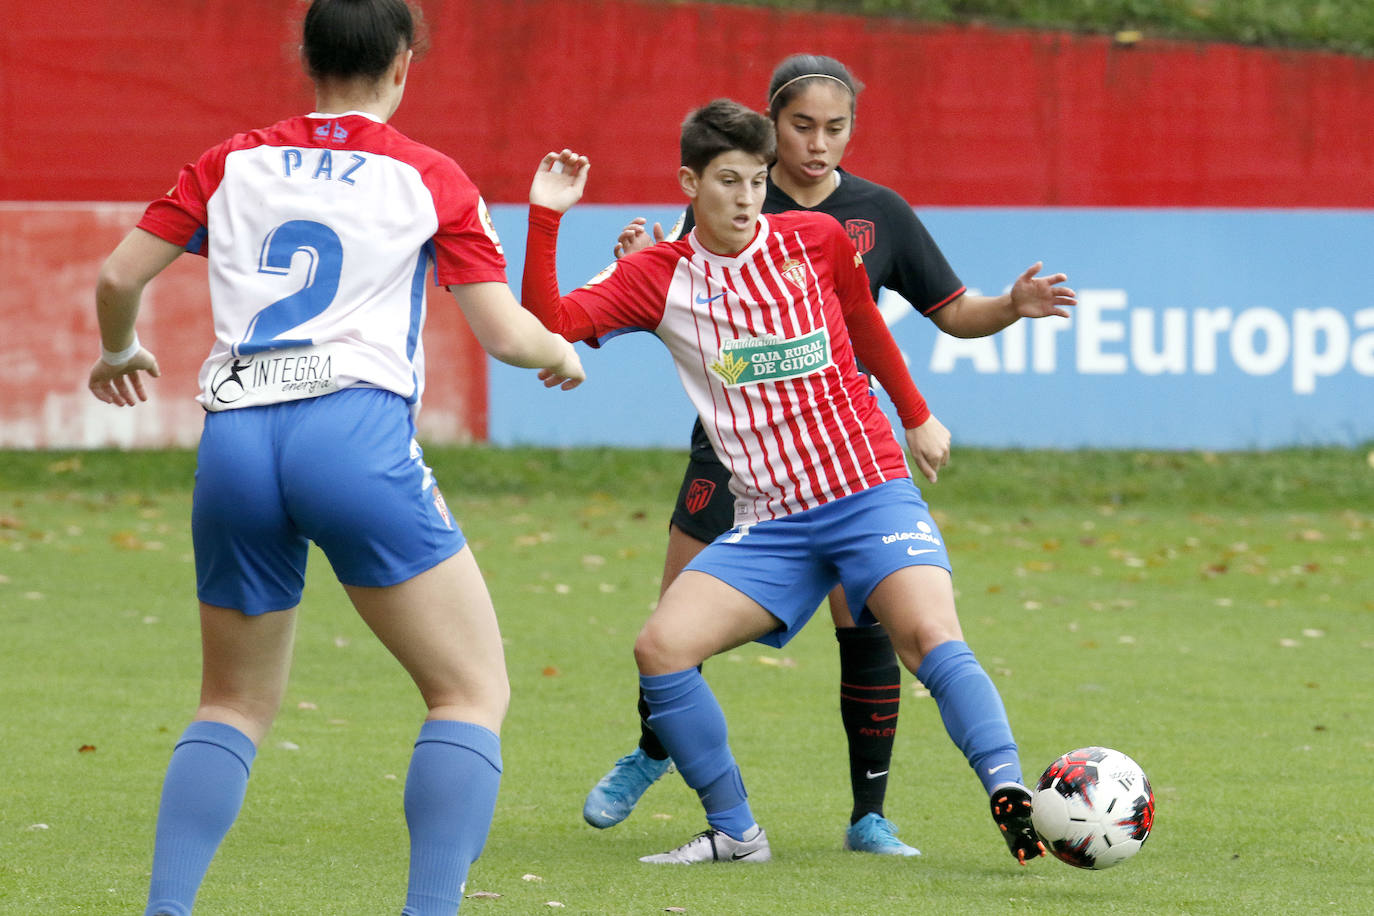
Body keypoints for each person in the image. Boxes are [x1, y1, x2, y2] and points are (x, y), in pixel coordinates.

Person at [87, 2, 583, 913]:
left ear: (307, 58)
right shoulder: (429, 177)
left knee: (230, 705)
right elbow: (507, 337)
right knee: (470, 691)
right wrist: (561, 353)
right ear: (403, 63)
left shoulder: (229, 160)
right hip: (351, 435)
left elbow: (118, 277)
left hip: (235, 441)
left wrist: (119, 352)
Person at [521, 99, 1045, 866]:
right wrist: (545, 216)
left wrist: (916, 412)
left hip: (868, 487)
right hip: (773, 522)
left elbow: (865, 323)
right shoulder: (658, 277)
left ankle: (1013, 795)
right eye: (728, 181)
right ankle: (736, 833)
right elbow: (546, 325)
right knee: (661, 647)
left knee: (929, 636)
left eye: (758, 181)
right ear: (688, 183)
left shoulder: (817, 239)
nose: (745, 198)